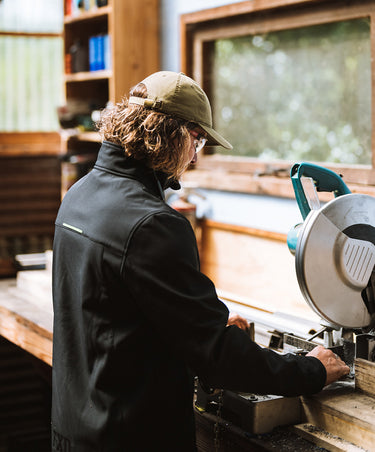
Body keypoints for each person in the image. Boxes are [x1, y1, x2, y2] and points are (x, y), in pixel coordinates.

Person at [51, 71, 349, 452]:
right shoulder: (153, 224)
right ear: (173, 133)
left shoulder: (80, 194)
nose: (195, 155)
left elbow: (111, 309)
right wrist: (311, 370)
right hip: (131, 438)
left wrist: (193, 321)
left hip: (74, 430)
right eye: (198, 140)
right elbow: (217, 359)